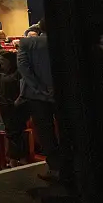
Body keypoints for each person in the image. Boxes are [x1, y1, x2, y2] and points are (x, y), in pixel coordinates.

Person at [17, 19, 65, 183]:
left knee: (46, 133)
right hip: (62, 93)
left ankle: (55, 169)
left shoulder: (27, 43)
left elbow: (24, 69)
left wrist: (39, 87)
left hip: (37, 96)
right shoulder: (65, 42)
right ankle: (72, 166)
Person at [0, 51, 28, 167]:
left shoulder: (16, 75)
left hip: (14, 108)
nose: (0, 63)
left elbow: (23, 89)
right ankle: (18, 159)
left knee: (15, 134)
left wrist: (17, 102)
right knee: (13, 134)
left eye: (2, 61)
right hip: (8, 108)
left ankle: (15, 160)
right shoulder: (6, 75)